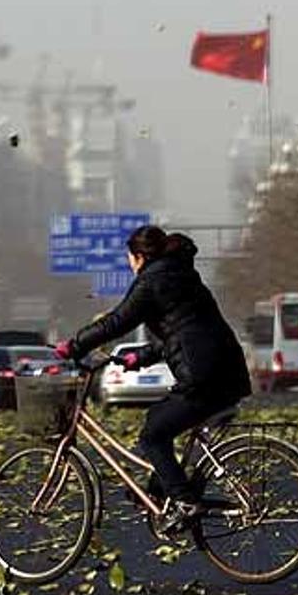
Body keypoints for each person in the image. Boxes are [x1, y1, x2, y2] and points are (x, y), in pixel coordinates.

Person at [55, 226, 251, 532]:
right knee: (159, 418)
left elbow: (117, 322)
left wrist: (75, 344)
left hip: (204, 377)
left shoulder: (152, 281)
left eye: (129, 260)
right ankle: (159, 494)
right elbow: (183, 334)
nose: (130, 265)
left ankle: (185, 502)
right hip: (226, 371)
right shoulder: (182, 277)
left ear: (139, 256)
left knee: (153, 436)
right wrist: (142, 357)